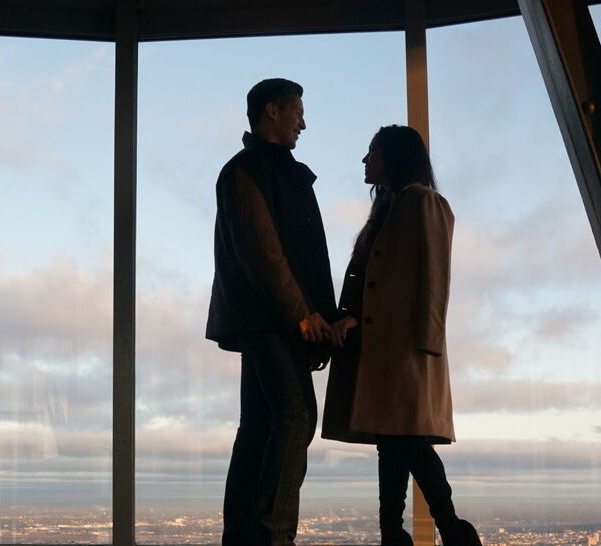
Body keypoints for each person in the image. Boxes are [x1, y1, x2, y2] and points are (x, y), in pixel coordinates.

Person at [321, 125, 482, 546]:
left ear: (393, 156)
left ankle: (451, 532)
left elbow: (435, 277)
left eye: (371, 152)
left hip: (406, 350)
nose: (365, 160)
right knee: (391, 441)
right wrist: (350, 318)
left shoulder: (425, 204)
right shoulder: (390, 207)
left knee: (406, 441)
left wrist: (427, 344)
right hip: (381, 350)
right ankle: (394, 533)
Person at [206, 78, 337, 546]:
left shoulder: (274, 171)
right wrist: (304, 316)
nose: (304, 121)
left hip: (273, 321)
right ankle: (272, 536)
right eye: (297, 111)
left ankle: (245, 535)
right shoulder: (248, 171)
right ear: (272, 112)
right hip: (270, 322)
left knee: (260, 426)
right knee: (297, 414)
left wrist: (315, 319)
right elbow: (264, 253)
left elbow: (295, 255)